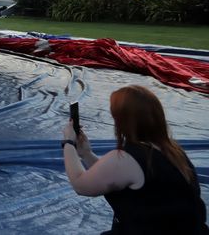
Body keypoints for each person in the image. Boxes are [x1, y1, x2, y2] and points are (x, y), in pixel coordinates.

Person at [61, 85, 208, 233]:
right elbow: (114, 174)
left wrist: (69, 143)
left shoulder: (128, 158)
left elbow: (80, 185)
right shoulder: (173, 150)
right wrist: (86, 153)